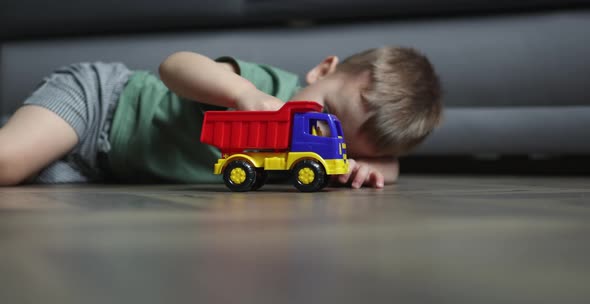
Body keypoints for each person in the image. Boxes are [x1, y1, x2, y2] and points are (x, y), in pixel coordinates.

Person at [0, 46, 442, 188]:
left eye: (342, 142)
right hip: (101, 103)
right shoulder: (265, 88)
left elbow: (388, 165)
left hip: (101, 168)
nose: (313, 124)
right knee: (8, 161)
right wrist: (241, 93)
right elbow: (175, 66)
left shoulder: (323, 157)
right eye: (324, 112)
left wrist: (373, 167)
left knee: (36, 190)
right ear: (322, 71)